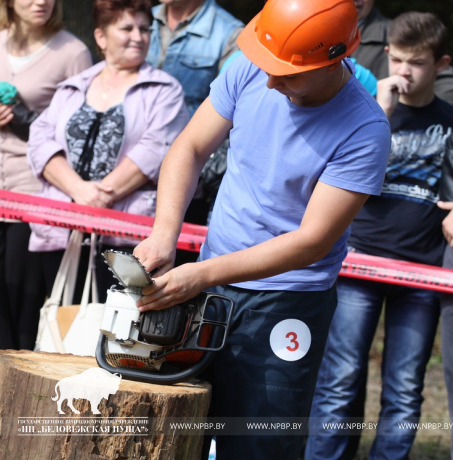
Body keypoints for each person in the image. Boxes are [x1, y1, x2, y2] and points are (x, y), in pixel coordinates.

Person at [131, 0, 391, 458]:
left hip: (288, 302)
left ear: (333, 57)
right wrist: (164, 234)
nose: (270, 80)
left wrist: (203, 273)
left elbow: (311, 241)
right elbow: (189, 147)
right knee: (174, 431)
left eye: (288, 74)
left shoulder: (365, 130)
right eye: (267, 67)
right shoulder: (254, 65)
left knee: (257, 444)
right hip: (210, 285)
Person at [306, 12, 453, 460]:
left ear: (442, 64)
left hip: (422, 268)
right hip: (359, 259)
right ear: (386, 54)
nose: (405, 72)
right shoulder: (363, 109)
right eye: (399, 60)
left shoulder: (449, 119)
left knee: (405, 389)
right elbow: (324, 173)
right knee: (339, 380)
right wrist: (381, 113)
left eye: (418, 63)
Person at [0, 0, 91, 404]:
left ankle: (23, 409)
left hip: (38, 199)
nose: (42, 1)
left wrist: (19, 118)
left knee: (25, 307)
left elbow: (79, 133)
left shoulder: (73, 52)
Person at [28, 0, 188, 300]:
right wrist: (79, 190)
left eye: (145, 29)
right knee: (58, 330)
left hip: (126, 240)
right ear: (101, 37)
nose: (138, 36)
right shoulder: (73, 86)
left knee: (116, 338)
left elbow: (156, 149)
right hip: (62, 232)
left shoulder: (165, 90)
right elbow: (39, 139)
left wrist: (103, 195)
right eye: (127, 28)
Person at [146, 0, 242, 266]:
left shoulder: (231, 33)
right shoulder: (141, 17)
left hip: (189, 183)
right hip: (132, 181)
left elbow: (227, 120)